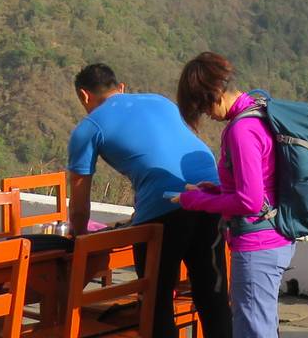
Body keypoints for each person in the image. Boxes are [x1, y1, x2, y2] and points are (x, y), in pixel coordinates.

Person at [67, 63, 231, 338]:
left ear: (84, 96)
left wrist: (78, 240)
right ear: (120, 88)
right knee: (211, 294)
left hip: (165, 207)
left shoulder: (89, 128)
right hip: (211, 193)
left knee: (156, 301)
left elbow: (80, 205)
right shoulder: (159, 101)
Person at [174, 53, 293, 338]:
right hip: (276, 238)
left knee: (253, 329)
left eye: (203, 108)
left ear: (211, 95)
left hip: (257, 244)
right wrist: (215, 190)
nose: (208, 116)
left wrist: (195, 201)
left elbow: (249, 202)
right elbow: (261, 184)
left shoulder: (241, 130)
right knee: (261, 324)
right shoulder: (259, 111)